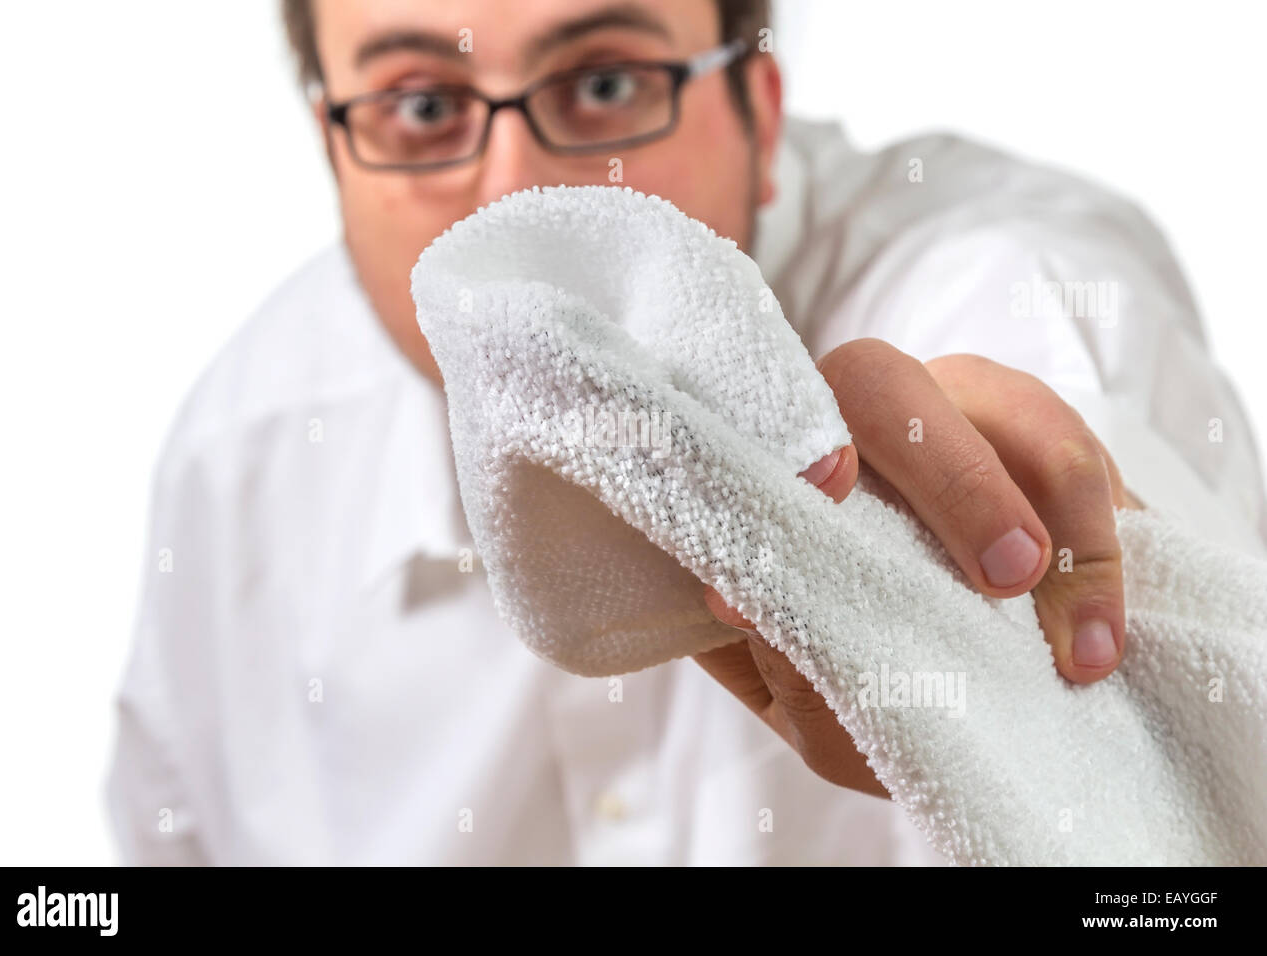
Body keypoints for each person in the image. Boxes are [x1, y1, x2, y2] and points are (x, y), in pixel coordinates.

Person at [104, 0, 1267, 864]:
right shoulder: (245, 464)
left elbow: (1137, 566)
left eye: (603, 84)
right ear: (331, 146)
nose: (511, 193)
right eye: (422, 107)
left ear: (758, 112)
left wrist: (1032, 670)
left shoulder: (999, 278)